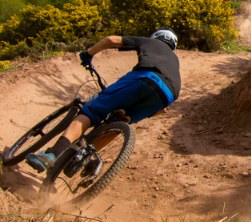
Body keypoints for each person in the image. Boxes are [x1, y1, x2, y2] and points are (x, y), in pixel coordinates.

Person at [26, 28, 180, 172]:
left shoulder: (150, 42)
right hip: (167, 96)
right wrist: (144, 110)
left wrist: (88, 53)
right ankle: (76, 161)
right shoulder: (174, 60)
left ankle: (51, 155)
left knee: (92, 111)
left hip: (146, 77)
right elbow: (162, 110)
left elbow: (111, 40)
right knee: (116, 125)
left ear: (156, 37)